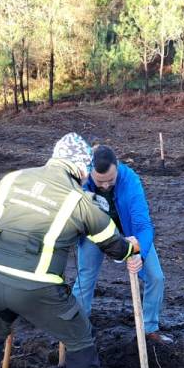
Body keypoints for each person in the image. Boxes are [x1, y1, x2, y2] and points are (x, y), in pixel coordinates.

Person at [0, 133, 140, 368]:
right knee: (80, 338)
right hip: (39, 287)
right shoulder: (80, 201)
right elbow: (113, 246)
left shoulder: (12, 179)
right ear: (81, 168)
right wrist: (131, 248)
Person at [72, 145, 171, 343]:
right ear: (90, 171)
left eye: (111, 180)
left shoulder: (130, 180)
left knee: (156, 277)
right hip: (95, 231)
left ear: (117, 167)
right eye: (100, 182)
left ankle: (149, 329)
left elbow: (143, 224)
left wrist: (139, 254)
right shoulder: (80, 182)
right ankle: (76, 331)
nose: (106, 186)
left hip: (129, 232)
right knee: (85, 277)